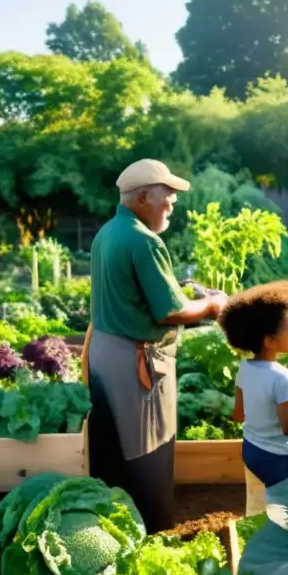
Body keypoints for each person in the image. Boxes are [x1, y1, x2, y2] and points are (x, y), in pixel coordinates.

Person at [86, 159, 227, 533]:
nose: (173, 202)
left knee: (111, 451)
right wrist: (214, 304)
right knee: (147, 451)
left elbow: (136, 296)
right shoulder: (144, 241)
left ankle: (112, 530)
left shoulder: (107, 233)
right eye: (169, 194)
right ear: (145, 196)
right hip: (137, 367)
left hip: (105, 355)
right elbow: (172, 310)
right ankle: (152, 532)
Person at [220, 280, 288, 516]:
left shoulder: (244, 368)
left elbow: (238, 415)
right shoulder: (282, 378)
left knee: (258, 503)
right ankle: (282, 546)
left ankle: (253, 535)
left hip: (251, 450)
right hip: (277, 457)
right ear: (270, 341)